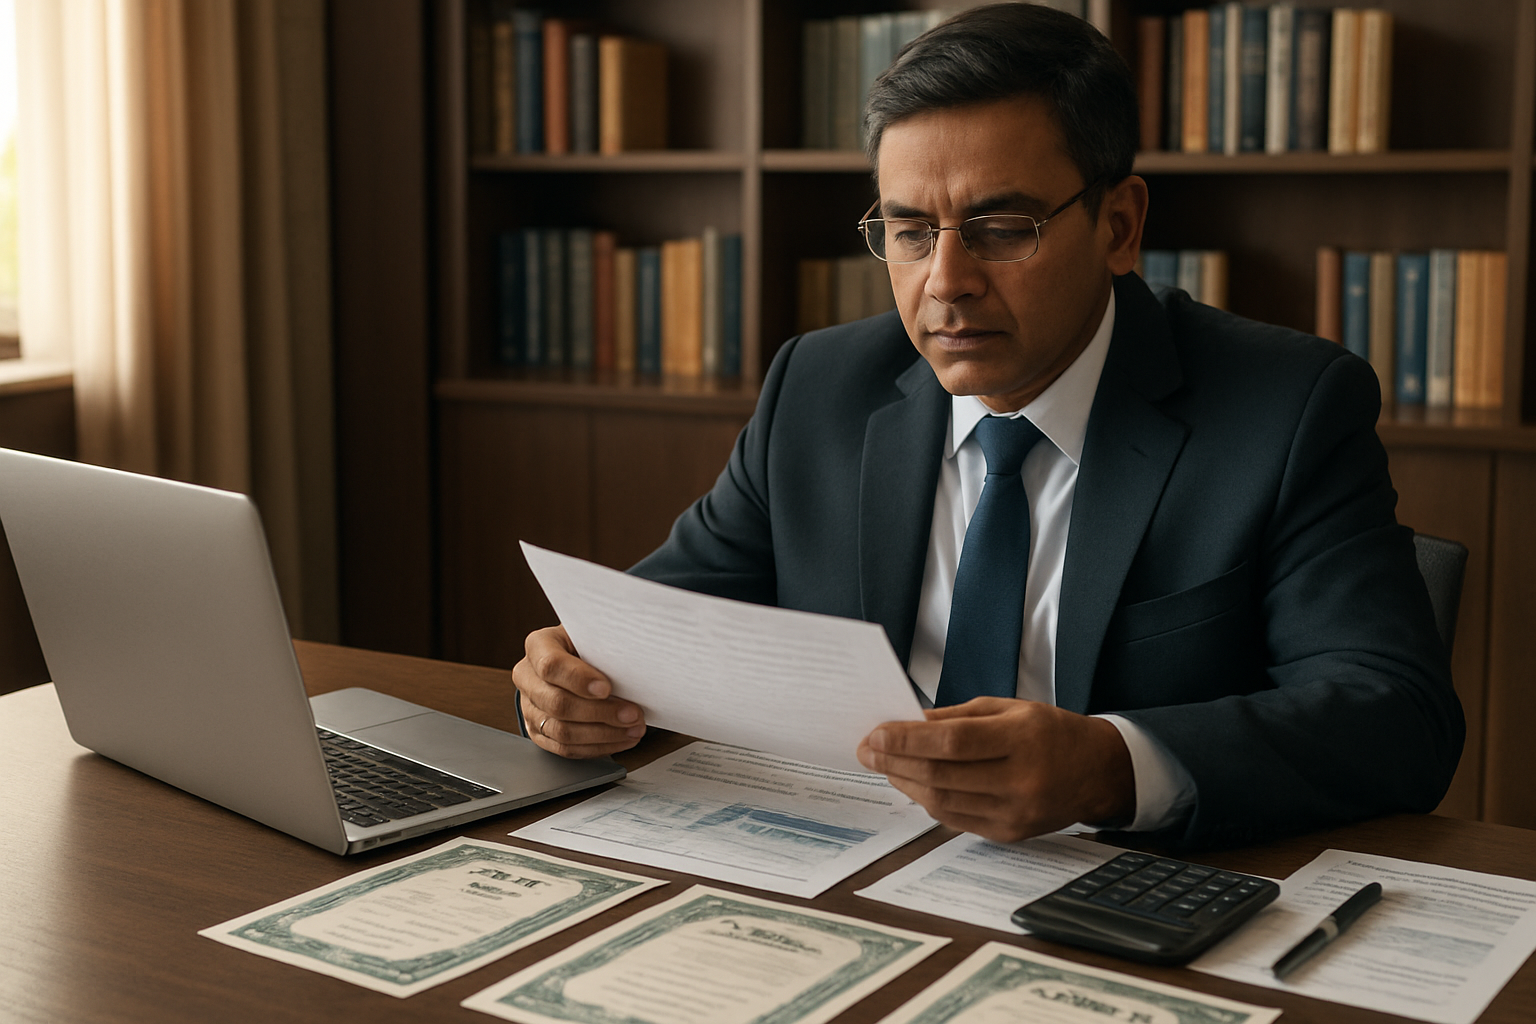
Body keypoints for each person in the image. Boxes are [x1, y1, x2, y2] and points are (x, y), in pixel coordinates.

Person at [511, 3, 1463, 850]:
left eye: (1004, 228)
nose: (946, 281)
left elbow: (1396, 717)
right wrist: (572, 679)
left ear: (1120, 226)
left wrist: (1110, 765)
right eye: (912, 229)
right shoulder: (820, 386)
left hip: (1117, 889)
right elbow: (656, 628)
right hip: (845, 866)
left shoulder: (1286, 406)